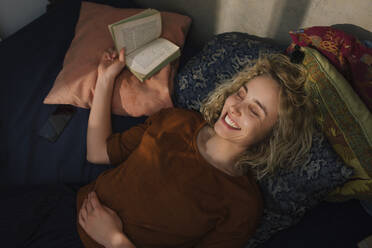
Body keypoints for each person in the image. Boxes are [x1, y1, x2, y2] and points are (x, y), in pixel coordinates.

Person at [1, 47, 313, 248]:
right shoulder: (177, 121)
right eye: (241, 94)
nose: (236, 108)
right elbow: (98, 153)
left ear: (273, 137)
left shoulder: (242, 205)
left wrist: (115, 241)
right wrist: (106, 79)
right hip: (62, 208)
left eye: (255, 110)